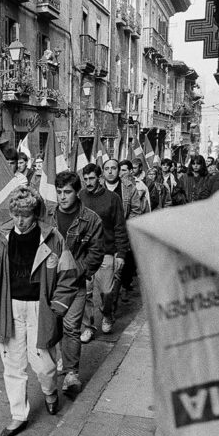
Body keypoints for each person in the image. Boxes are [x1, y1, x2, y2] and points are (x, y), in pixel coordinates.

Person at [0, 187, 82, 436]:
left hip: (40, 307)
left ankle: (49, 390)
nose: (20, 220)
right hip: (10, 306)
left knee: (44, 364)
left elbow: (68, 274)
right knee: (13, 364)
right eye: (16, 215)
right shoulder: (3, 237)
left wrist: (57, 307)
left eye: (25, 215)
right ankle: (18, 415)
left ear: (35, 214)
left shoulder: (53, 237)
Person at [44, 171, 104, 393]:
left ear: (77, 192)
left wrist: (78, 271)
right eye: (59, 192)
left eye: (67, 192)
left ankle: (71, 374)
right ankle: (61, 360)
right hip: (50, 282)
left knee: (71, 326)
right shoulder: (47, 215)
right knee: (54, 325)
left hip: (75, 283)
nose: (62, 196)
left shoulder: (91, 219)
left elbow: (96, 252)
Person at [79, 162, 128, 342]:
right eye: (86, 179)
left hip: (106, 252)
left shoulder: (113, 198)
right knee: (85, 293)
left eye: (92, 178)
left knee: (107, 292)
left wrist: (121, 253)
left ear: (99, 178)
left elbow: (120, 227)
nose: (88, 182)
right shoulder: (80, 196)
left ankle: (107, 315)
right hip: (85, 254)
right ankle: (88, 326)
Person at [117, 160, 151, 292]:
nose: (121, 173)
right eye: (119, 170)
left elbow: (144, 208)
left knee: (129, 257)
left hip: (132, 226)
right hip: (118, 228)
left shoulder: (140, 186)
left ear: (131, 171)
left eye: (124, 170)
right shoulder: (116, 185)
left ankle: (126, 284)